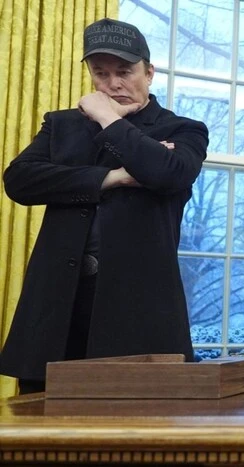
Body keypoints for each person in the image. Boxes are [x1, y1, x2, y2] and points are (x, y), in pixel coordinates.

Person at [0, 18, 208, 394]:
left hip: (138, 309)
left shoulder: (183, 130)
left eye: (124, 72)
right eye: (101, 73)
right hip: (57, 308)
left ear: (149, 72)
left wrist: (107, 117)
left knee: (134, 421)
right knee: (38, 421)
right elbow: (20, 180)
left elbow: (169, 172)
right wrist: (113, 177)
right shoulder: (61, 125)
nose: (113, 84)